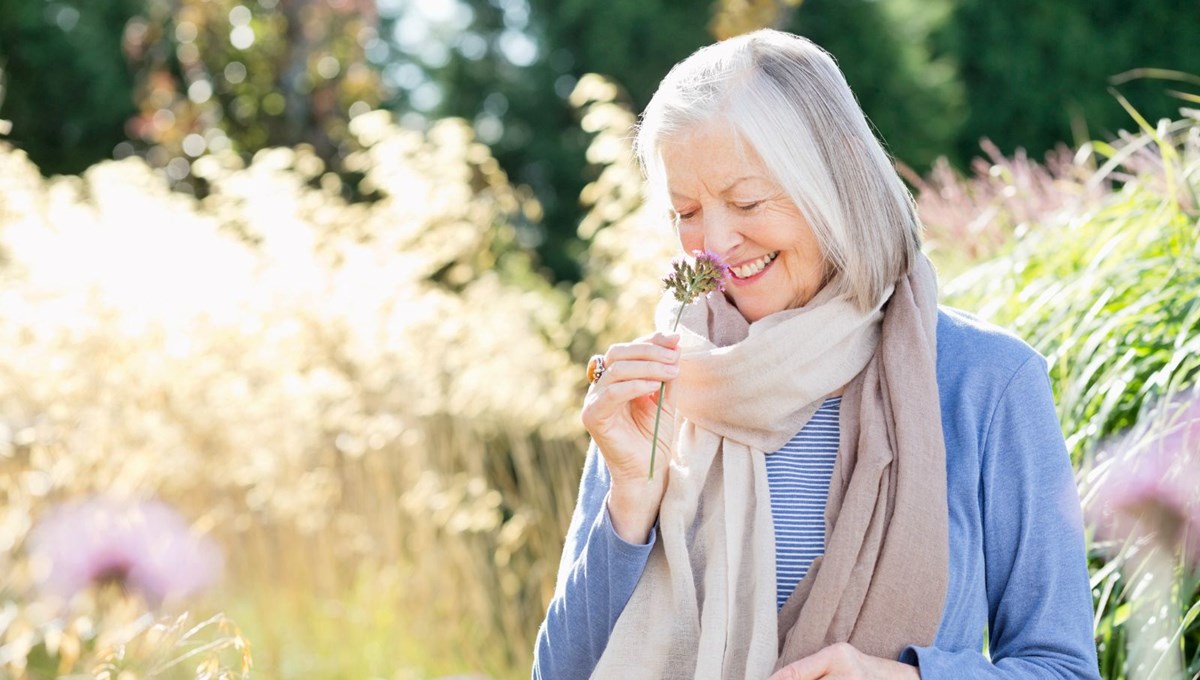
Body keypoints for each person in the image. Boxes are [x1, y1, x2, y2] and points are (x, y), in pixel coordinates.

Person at [532, 29, 1100, 680]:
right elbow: (559, 673)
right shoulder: (660, 385)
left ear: (837, 178)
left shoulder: (986, 382)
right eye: (685, 211)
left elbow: (1064, 668)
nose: (713, 242)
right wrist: (629, 503)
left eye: (746, 201)